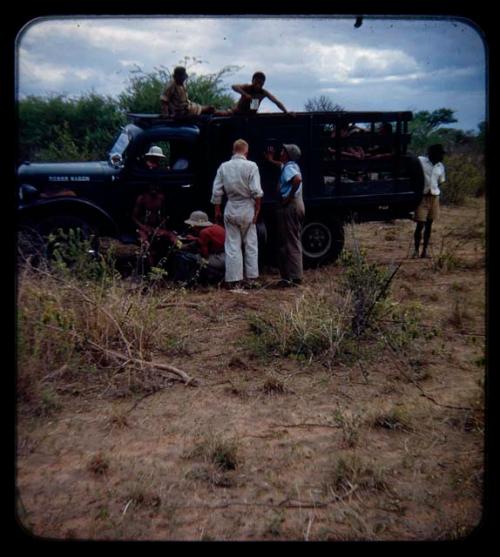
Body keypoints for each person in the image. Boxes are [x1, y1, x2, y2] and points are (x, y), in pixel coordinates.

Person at [211, 139, 263, 289]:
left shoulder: (224, 167)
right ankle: (252, 278)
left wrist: (217, 210)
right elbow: (257, 191)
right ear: (246, 152)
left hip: (231, 207)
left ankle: (234, 280)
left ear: (233, 151)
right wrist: (257, 210)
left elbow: (216, 192)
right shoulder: (252, 166)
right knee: (251, 244)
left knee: (232, 245)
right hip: (247, 208)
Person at [264, 143, 305, 286]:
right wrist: (270, 160)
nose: (280, 152)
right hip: (294, 205)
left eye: (283, 151)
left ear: (287, 154)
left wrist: (288, 197)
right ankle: (290, 276)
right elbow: (281, 166)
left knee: (290, 241)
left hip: (290, 206)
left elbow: (297, 179)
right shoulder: (287, 166)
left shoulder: (290, 168)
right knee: (289, 239)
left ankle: (294, 277)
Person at [412, 144, 446, 258]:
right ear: (433, 153)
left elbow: (440, 181)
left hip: (434, 197)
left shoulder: (440, 166)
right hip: (422, 197)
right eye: (440, 154)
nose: (442, 156)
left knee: (429, 225)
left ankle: (424, 251)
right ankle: (416, 250)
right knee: (420, 224)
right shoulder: (421, 161)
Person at [173, 211, 226, 285]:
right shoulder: (216, 227)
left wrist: (195, 249)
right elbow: (212, 241)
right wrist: (196, 239)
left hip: (219, 259)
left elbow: (205, 255)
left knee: (184, 256)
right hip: (226, 257)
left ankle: (184, 282)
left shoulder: (204, 232)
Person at [132, 182, 177, 267]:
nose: (154, 189)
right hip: (143, 227)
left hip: (156, 227)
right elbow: (134, 217)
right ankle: (152, 270)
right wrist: (144, 227)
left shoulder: (161, 198)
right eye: (152, 186)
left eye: (156, 186)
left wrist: (164, 230)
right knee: (146, 244)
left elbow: (163, 216)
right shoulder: (142, 198)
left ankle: (182, 252)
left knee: (172, 236)